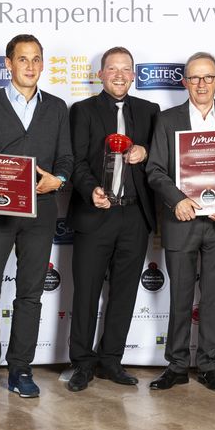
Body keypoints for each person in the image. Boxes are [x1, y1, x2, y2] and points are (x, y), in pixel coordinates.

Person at [0, 34, 73, 402]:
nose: (30, 66)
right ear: (8, 64)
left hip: (40, 212)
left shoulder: (57, 107)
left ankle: (21, 369)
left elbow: (66, 160)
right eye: (23, 59)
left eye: (36, 59)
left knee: (30, 293)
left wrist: (58, 180)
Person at [146, 52, 215, 392]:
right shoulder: (167, 120)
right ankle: (177, 365)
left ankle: (208, 365)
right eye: (194, 78)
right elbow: (155, 170)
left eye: (208, 77)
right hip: (183, 220)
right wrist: (177, 199)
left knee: (213, 298)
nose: (201, 84)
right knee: (179, 297)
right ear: (185, 82)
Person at [65, 46, 158, 392]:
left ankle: (110, 360)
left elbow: (164, 157)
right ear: (101, 74)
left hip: (134, 214)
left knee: (124, 292)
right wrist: (91, 190)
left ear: (133, 75)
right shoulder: (83, 110)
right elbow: (75, 161)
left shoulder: (150, 111)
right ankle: (82, 363)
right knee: (86, 292)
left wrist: (146, 151)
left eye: (125, 69)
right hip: (95, 213)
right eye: (112, 69)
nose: (119, 75)